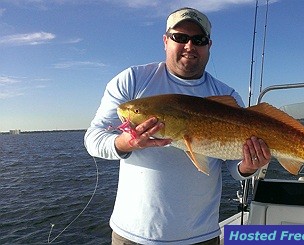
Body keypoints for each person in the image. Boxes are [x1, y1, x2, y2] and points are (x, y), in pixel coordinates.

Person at [84, 7, 271, 245]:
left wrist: (248, 166)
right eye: (180, 37)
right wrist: (126, 142)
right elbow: (93, 139)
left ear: (209, 45)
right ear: (165, 41)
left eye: (198, 40)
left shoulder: (226, 95)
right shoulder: (133, 81)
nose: (189, 46)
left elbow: (236, 168)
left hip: (201, 236)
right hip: (132, 235)